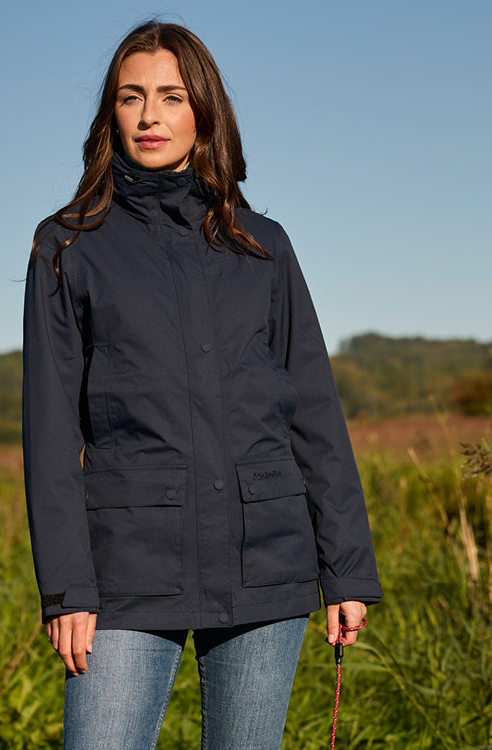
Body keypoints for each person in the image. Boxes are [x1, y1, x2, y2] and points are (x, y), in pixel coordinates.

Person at [22, 20, 382, 750]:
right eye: (131, 97)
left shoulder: (262, 244)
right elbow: (50, 431)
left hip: (265, 559)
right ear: (110, 114)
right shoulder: (67, 244)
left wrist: (346, 570)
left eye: (171, 97)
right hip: (126, 569)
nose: (149, 116)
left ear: (204, 112)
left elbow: (313, 412)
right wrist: (66, 588)